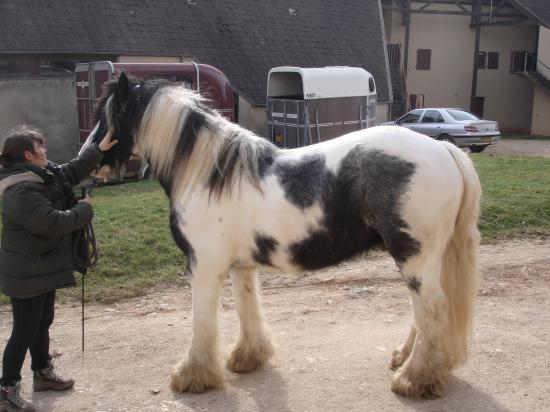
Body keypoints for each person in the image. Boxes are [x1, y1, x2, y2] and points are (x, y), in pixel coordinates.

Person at [0, 125, 116, 411]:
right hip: (27, 271)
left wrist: (97, 149)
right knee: (24, 330)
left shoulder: (41, 173)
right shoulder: (21, 189)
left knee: (42, 321)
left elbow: (71, 171)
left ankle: (42, 373)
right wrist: (83, 210)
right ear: (28, 154)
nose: (45, 151)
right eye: (41, 148)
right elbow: (51, 223)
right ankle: (6, 389)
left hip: (40, 266)